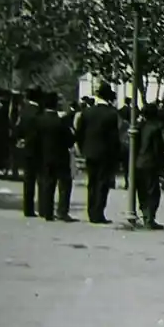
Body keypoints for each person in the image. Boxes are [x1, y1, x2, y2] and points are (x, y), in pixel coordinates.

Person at [76, 84, 121, 224]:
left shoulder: (87, 112)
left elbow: (80, 133)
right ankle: (98, 212)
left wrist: (83, 148)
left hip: (89, 152)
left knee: (92, 182)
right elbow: (114, 138)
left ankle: (91, 211)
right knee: (102, 183)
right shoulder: (112, 114)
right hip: (105, 153)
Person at [38, 95, 76, 222]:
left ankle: (46, 211)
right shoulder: (60, 122)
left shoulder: (39, 120)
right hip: (61, 157)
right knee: (65, 184)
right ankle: (62, 211)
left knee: (47, 183)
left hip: (44, 156)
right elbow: (70, 140)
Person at [134, 102, 164, 230]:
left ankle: (145, 216)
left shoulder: (139, 126)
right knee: (153, 192)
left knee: (142, 191)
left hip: (139, 163)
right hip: (151, 163)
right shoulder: (156, 128)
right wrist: (162, 166)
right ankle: (150, 218)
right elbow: (157, 149)